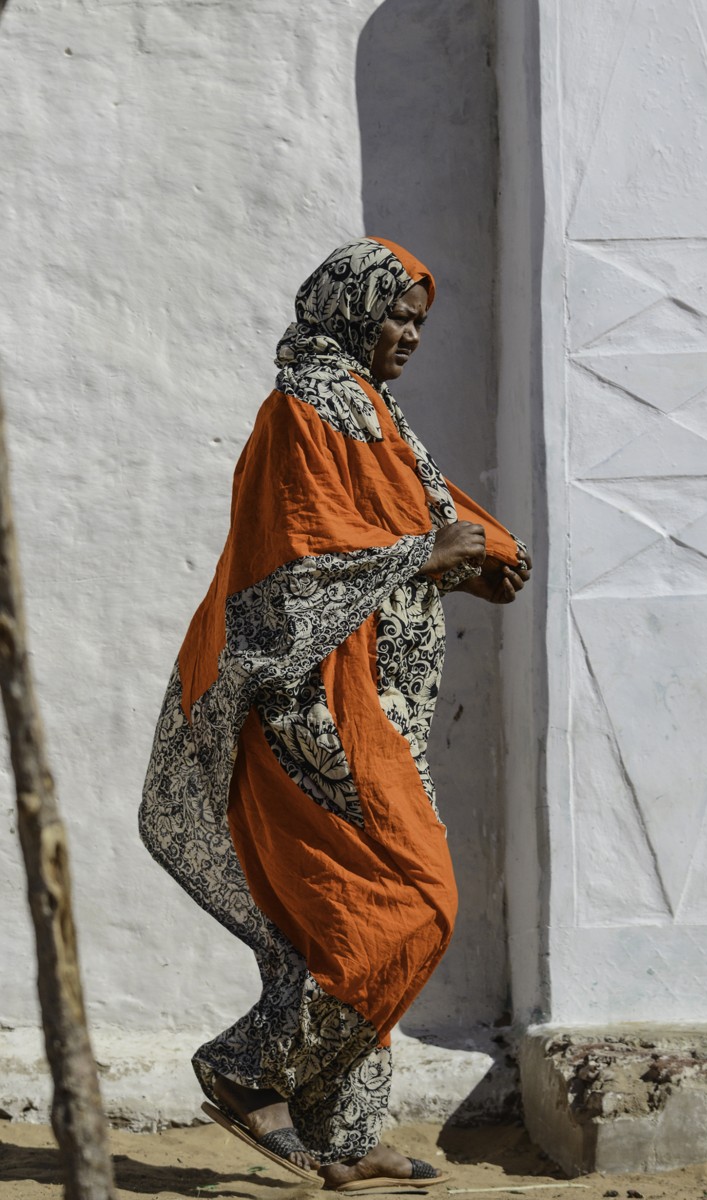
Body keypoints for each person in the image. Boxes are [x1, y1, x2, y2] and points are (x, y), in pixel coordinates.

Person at [139, 237, 529, 1191]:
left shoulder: (375, 414)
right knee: (411, 905)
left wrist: (472, 561)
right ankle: (245, 1068)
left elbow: (404, 531)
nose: (410, 335)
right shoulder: (301, 411)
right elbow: (285, 575)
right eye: (397, 315)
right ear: (351, 307)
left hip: (376, 708)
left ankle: (344, 1136)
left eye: (420, 323)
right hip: (312, 712)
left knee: (346, 923)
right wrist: (425, 557)